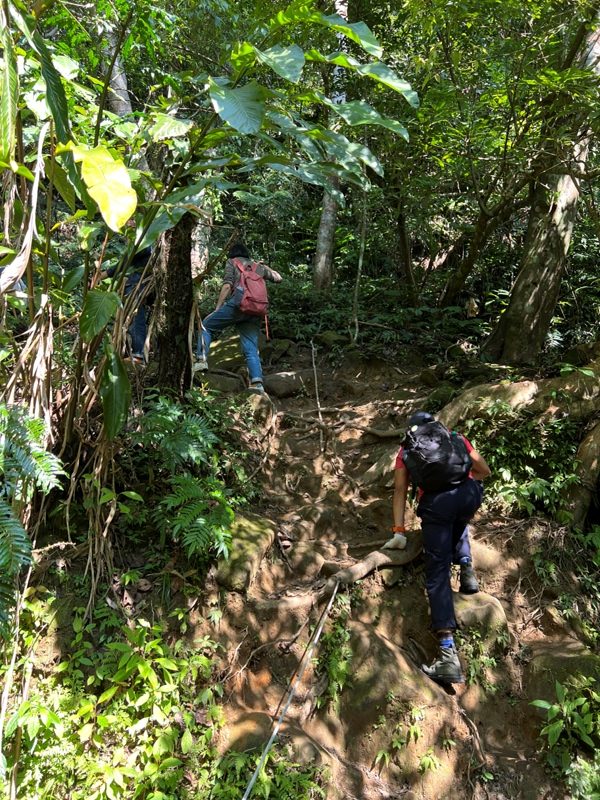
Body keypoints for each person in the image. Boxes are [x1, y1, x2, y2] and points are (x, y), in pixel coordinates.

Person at [388, 410, 491, 685]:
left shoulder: (406, 449)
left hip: (436, 506)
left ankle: (447, 653)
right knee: (458, 514)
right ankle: (467, 568)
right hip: (469, 497)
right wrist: (464, 488)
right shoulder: (456, 437)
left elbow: (400, 491)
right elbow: (484, 470)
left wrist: (399, 531)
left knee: (437, 574)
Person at [194, 243, 282, 393]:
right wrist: (266, 267)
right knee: (250, 346)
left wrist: (218, 308)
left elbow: (227, 285)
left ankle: (201, 359)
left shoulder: (232, 262)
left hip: (238, 305)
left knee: (206, 325)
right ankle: (257, 384)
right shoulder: (256, 267)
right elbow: (278, 278)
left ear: (232, 254)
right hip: (255, 310)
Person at [102, 247, 152, 364]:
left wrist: (104, 274)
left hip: (137, 283)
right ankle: (134, 352)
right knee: (131, 318)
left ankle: (138, 355)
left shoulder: (146, 242)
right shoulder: (145, 241)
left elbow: (125, 262)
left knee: (135, 317)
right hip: (135, 283)